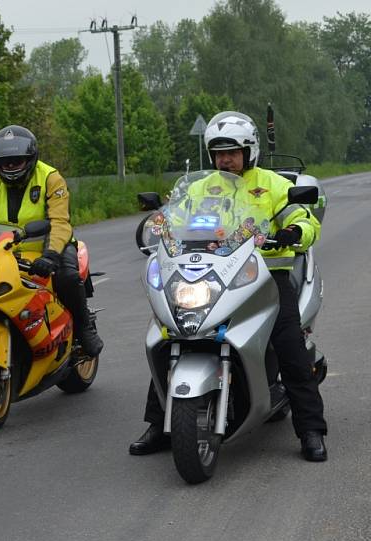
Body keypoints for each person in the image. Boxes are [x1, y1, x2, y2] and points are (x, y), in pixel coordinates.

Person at [128, 110, 328, 462]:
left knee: (288, 342)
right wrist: (158, 223)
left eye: (232, 152)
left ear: (249, 151)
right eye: (219, 153)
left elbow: (303, 218)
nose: (225, 159)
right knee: (173, 332)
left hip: (264, 273)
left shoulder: (273, 185)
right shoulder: (199, 187)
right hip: (210, 271)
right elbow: (174, 216)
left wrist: (293, 231)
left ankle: (311, 429)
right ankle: (159, 424)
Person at [0, 125, 104, 406]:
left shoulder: (50, 178)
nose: (10, 166)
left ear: (30, 158)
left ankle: (83, 330)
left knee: (67, 277)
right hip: (3, 251)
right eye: (4, 162)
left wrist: (51, 256)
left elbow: (59, 222)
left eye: (16, 161)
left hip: (48, 248)